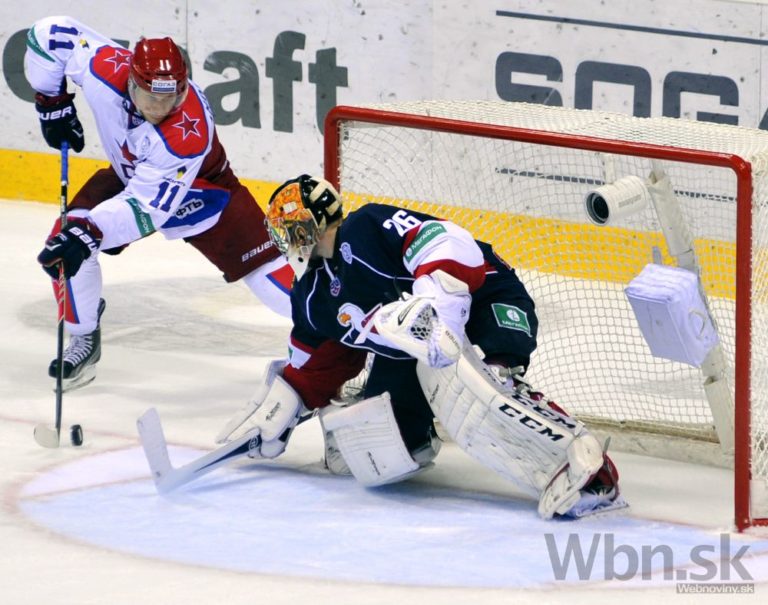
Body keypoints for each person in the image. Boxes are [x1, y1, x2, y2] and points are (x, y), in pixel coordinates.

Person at [216, 174, 626, 520]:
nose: (287, 240)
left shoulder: (366, 228)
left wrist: (438, 312)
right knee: (379, 449)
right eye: (282, 232)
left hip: (485, 296)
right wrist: (282, 408)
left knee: (482, 388)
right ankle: (424, 424)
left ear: (317, 221)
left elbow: (450, 242)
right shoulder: (310, 293)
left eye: (292, 228)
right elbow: (321, 362)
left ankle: (590, 471)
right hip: (415, 353)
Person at [25, 17, 293, 389]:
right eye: (152, 96)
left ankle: (337, 330)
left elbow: (144, 210)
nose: (161, 106)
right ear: (131, 82)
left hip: (205, 190)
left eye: (171, 97)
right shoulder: (104, 67)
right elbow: (49, 34)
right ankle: (84, 336)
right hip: (133, 176)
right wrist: (50, 102)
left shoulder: (186, 134)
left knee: (269, 277)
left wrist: (90, 232)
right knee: (66, 242)